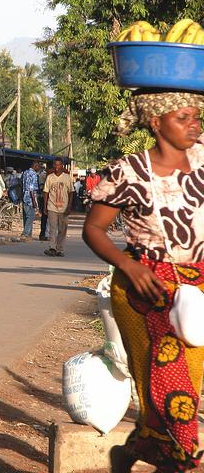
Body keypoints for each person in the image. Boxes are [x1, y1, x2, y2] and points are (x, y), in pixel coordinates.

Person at [82, 90, 204, 472]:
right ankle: (182, 461)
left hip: (195, 289)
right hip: (143, 288)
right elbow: (94, 229)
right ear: (156, 123)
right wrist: (128, 266)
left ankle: (131, 451)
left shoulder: (203, 160)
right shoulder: (129, 171)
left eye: (196, 117)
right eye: (182, 118)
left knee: (183, 385)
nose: (194, 125)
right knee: (171, 388)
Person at [43, 158, 73, 257]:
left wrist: (69, 206)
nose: (57, 167)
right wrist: (45, 206)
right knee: (53, 228)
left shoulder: (67, 177)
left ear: (62, 166)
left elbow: (71, 192)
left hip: (64, 207)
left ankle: (60, 249)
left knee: (62, 229)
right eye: (55, 165)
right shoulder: (49, 177)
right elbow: (46, 192)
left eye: (59, 165)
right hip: (52, 206)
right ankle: (52, 247)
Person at [20, 161, 41, 239]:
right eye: (38, 166)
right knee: (31, 216)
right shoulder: (34, 174)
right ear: (35, 166)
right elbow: (32, 189)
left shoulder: (25, 172)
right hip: (30, 198)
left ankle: (29, 234)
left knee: (26, 216)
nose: (39, 168)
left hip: (24, 196)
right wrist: (35, 202)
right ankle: (25, 233)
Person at [38, 164, 49, 241]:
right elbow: (42, 187)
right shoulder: (43, 175)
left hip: (49, 199)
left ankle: (46, 234)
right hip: (44, 197)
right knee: (45, 216)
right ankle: (43, 234)